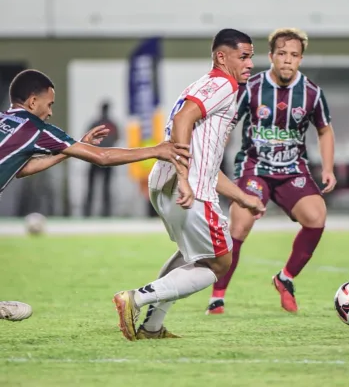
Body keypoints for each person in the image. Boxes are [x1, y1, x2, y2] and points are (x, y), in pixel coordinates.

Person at [0, 69, 192, 321]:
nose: (50, 112)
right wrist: (155, 150)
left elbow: (23, 168)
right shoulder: (36, 128)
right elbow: (102, 157)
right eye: (49, 104)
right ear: (33, 102)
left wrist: (69, 149)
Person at [112, 28, 266, 341]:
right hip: (188, 187)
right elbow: (183, 121)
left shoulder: (204, 84)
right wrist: (184, 179)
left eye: (251, 56)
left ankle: (152, 327)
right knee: (221, 263)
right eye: (244, 56)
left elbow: (206, 161)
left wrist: (243, 198)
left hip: (169, 182)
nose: (250, 63)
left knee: (192, 256)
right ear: (222, 57)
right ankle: (136, 298)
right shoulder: (223, 83)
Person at [205, 28, 336, 315]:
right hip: (255, 168)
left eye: (294, 55)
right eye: (282, 54)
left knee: (316, 217)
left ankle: (285, 279)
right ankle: (217, 295)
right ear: (271, 56)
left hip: (292, 169)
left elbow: (325, 130)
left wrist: (328, 168)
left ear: (301, 59)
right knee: (239, 225)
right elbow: (227, 124)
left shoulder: (312, 93)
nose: (287, 60)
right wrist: (214, 157)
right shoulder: (251, 87)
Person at [84, 101, 120, 217]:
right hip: (105, 158)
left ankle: (89, 212)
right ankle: (104, 212)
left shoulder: (96, 124)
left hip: (94, 157)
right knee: (104, 187)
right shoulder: (111, 124)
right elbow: (117, 138)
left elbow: (86, 139)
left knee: (94, 187)